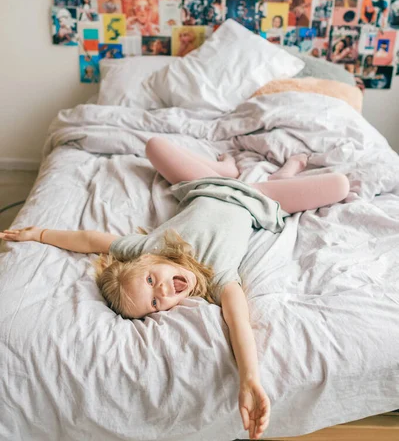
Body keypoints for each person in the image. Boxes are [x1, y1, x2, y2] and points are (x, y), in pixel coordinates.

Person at [1, 141, 350, 440]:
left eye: (152, 280)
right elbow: (239, 322)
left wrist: (41, 234)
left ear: (148, 260)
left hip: (204, 184)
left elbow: (91, 240)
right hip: (257, 199)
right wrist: (249, 378)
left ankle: (224, 167)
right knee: (339, 185)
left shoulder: (147, 246)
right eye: (155, 302)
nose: (165, 291)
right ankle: (287, 168)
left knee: (154, 145)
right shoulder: (219, 278)